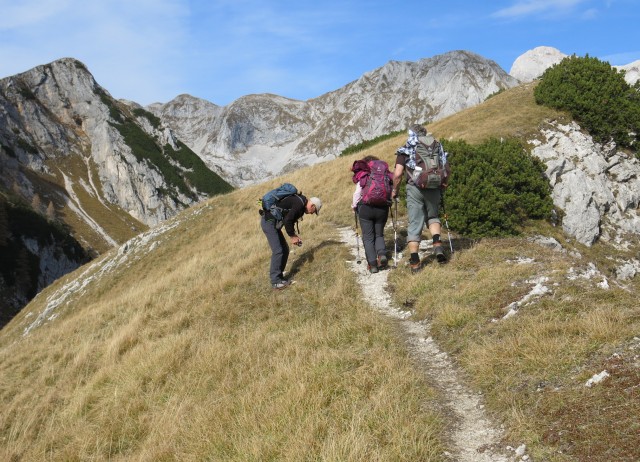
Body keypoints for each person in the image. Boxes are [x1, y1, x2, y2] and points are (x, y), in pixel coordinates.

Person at [392, 124, 448, 273]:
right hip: (434, 186)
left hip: (414, 189)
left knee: (415, 223)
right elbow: (445, 166)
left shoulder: (406, 148)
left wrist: (394, 191)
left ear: (410, 133)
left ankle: (415, 263)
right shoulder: (436, 145)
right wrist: (443, 184)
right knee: (433, 217)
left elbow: (397, 174)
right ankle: (437, 244)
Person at [261, 192, 322, 289]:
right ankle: (276, 282)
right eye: (314, 211)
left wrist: (294, 236)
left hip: (272, 223)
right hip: (269, 222)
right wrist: (292, 236)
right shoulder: (299, 204)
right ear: (312, 205)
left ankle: (279, 277)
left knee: (284, 249)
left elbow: (289, 219)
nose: (311, 213)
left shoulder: (300, 203)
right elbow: (288, 221)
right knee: (278, 251)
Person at [351, 156, 392, 273]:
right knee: (379, 234)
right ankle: (382, 254)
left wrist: (354, 206)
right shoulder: (385, 175)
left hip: (365, 208)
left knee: (368, 237)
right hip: (382, 208)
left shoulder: (364, 174)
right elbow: (390, 190)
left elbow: (357, 193)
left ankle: (373, 265)